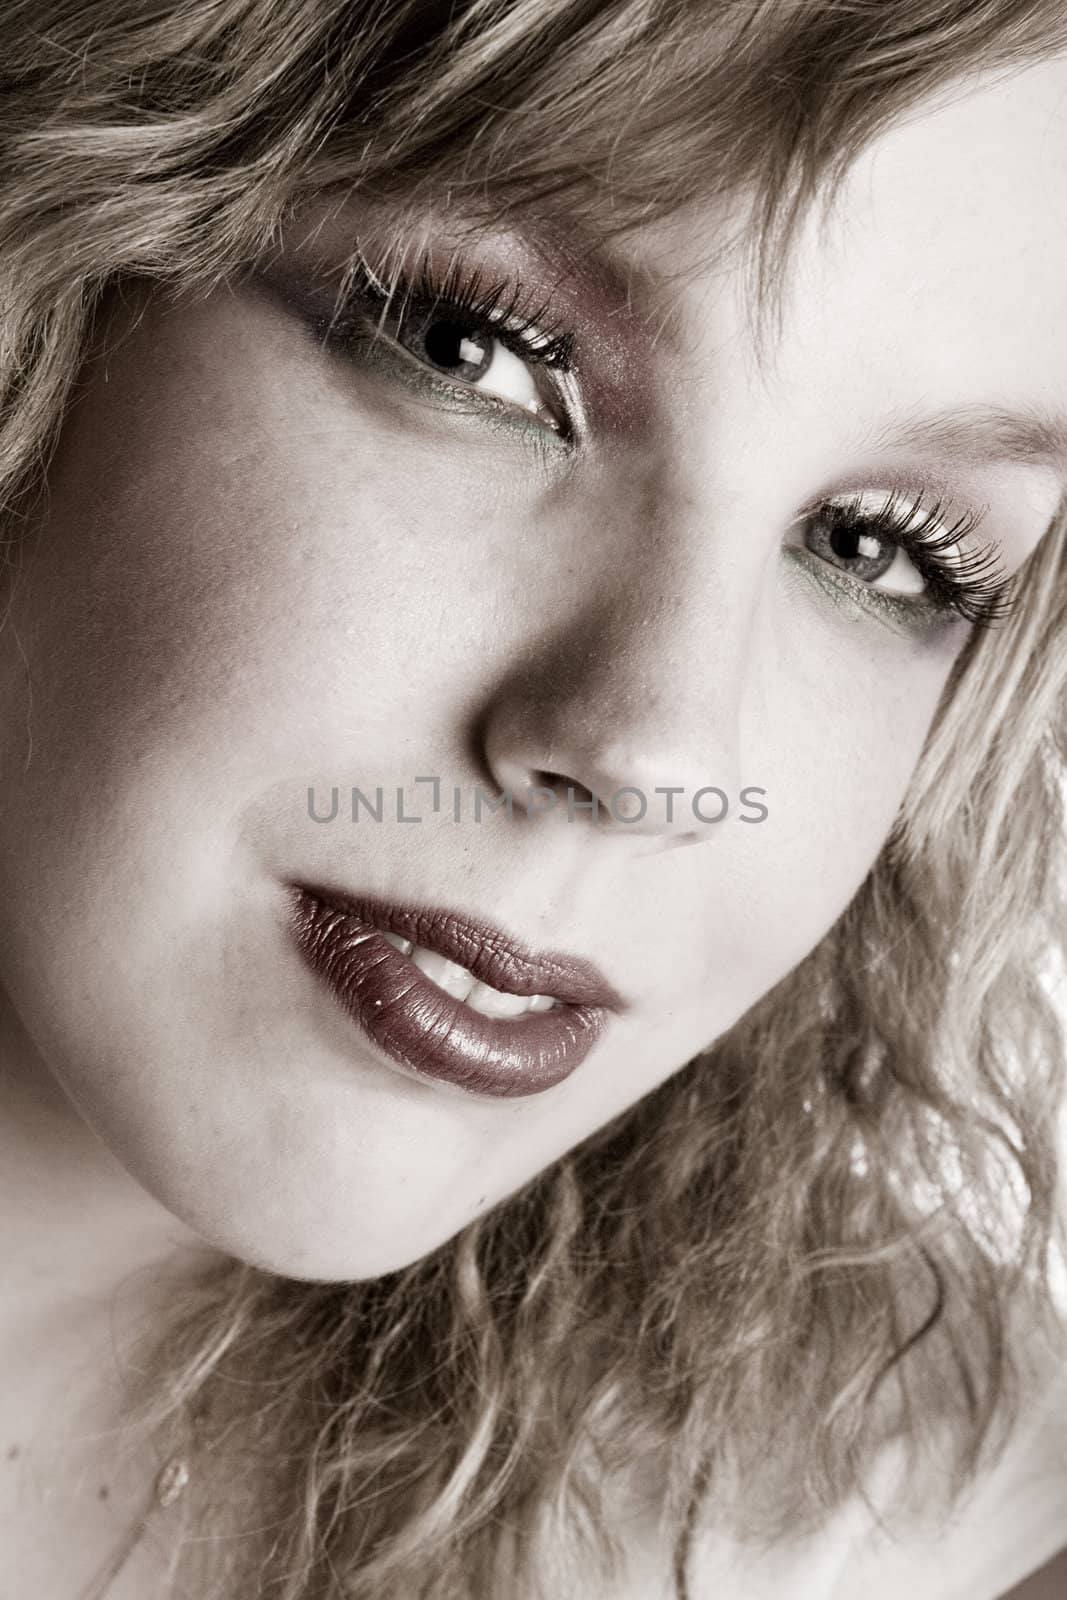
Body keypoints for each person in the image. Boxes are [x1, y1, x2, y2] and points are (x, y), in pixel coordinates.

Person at [2, 1, 1067, 1595]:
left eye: (875, 547)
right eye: (475, 352)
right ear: (58, 271)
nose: (655, 755)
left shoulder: (900, 1522)